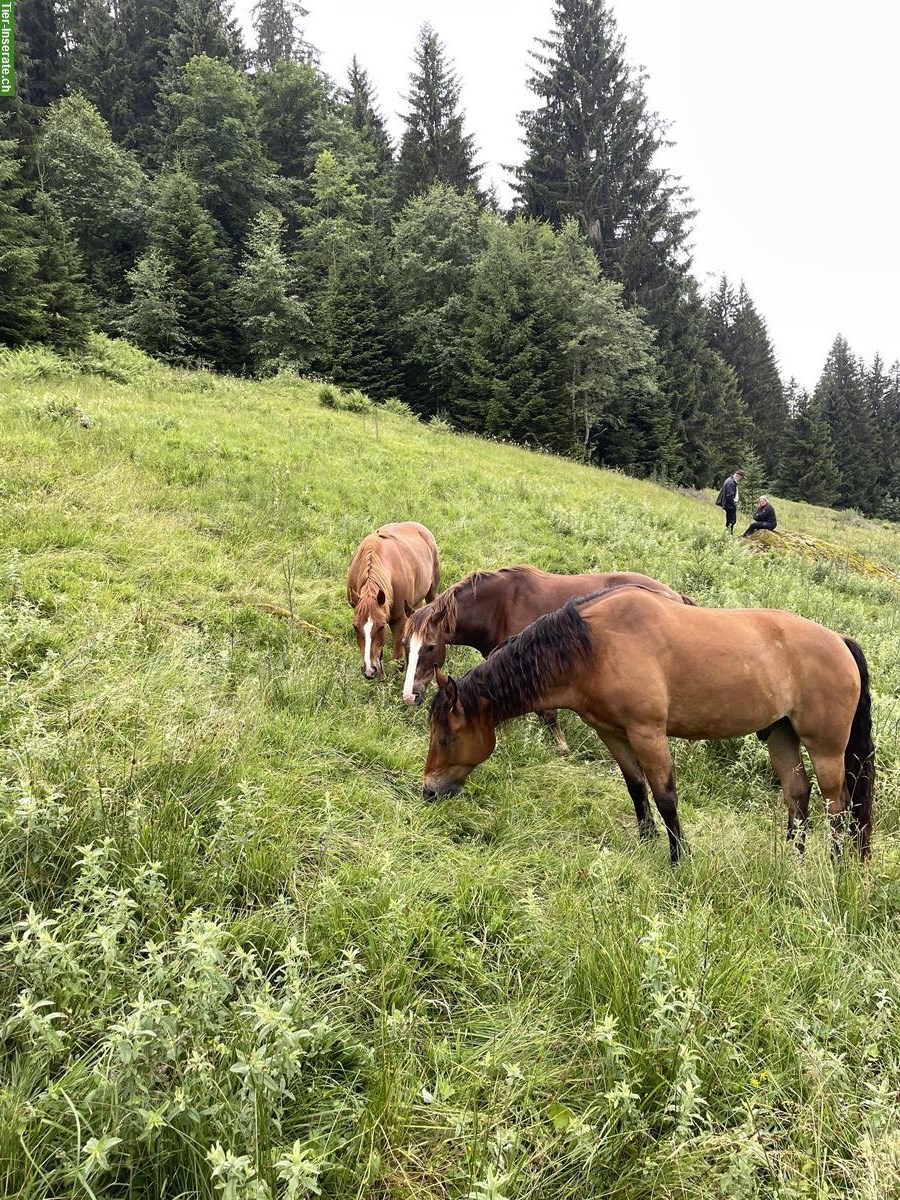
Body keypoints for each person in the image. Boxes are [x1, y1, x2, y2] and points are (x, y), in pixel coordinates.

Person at [715, 469, 745, 534]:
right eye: (741, 478)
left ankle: (728, 533)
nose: (741, 480)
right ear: (738, 476)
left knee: (731, 520)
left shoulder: (731, 480)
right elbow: (729, 496)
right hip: (729, 504)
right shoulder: (731, 482)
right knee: (732, 520)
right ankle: (729, 534)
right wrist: (734, 504)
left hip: (729, 504)